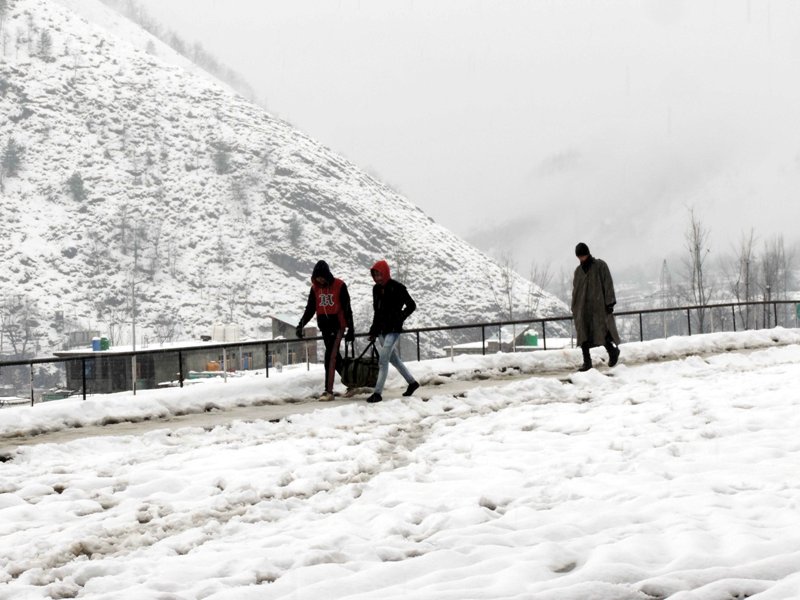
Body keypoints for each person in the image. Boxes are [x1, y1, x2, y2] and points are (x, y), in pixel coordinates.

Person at [296, 260, 356, 401]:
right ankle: (352, 383)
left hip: (337, 326)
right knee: (336, 358)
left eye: (322, 277)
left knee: (330, 357)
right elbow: (310, 308)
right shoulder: (315, 289)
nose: (320, 280)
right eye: (317, 277)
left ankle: (328, 392)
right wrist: (301, 325)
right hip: (325, 327)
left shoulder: (339, 286)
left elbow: (347, 309)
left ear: (327, 275)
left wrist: (351, 329)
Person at [365, 260, 420, 403]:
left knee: (383, 361)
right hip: (382, 330)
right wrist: (373, 331)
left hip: (394, 330)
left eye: (379, 274)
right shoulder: (376, 289)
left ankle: (377, 393)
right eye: (375, 275)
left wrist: (400, 317)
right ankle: (412, 383)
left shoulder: (398, 288)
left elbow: (411, 305)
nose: (377, 278)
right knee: (393, 359)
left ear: (385, 273)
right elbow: (376, 311)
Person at [571, 242, 621, 372]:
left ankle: (612, 351)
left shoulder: (600, 266)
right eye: (579, 256)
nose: (581, 258)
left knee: (600, 332)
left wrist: (610, 303)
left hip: (598, 307)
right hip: (582, 308)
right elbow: (575, 290)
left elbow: (607, 283)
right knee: (583, 334)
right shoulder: (578, 271)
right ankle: (587, 363)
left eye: (583, 255)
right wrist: (575, 307)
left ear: (588, 253)